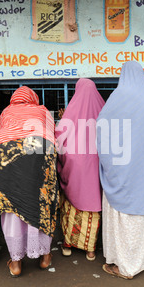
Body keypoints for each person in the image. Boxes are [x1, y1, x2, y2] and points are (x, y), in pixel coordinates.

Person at [96, 61, 144, 279]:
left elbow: (102, 126)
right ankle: (140, 260)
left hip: (121, 169)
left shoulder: (119, 96)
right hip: (143, 170)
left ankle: (125, 267)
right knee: (139, 214)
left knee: (121, 216)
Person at [0, 86, 59, 277]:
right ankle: (44, 258)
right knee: (42, 202)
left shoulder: (6, 112)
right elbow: (52, 133)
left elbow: (2, 129)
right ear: (33, 98)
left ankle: (17, 263)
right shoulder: (42, 110)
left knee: (11, 205)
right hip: (39, 148)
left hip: (3, 151)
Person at [55, 78, 105, 261]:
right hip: (96, 168)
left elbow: (59, 138)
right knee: (93, 207)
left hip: (75, 169)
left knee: (71, 206)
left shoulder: (72, 110)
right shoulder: (104, 108)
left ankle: (68, 244)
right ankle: (91, 249)